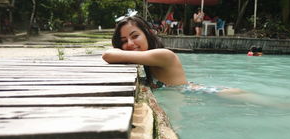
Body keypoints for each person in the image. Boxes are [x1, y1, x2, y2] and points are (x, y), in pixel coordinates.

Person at [102, 16, 243, 95]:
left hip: (216, 94)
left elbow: (108, 55)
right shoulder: (148, 58)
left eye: (135, 36)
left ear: (148, 33)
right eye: (124, 41)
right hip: (196, 92)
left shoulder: (163, 55)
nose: (130, 43)